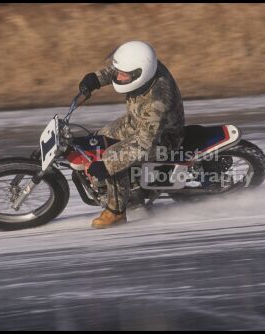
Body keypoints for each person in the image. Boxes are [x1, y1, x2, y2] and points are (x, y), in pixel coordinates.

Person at [79, 41, 185, 229]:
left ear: (139, 74)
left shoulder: (157, 101)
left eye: (123, 75)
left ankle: (116, 212)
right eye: (120, 72)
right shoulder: (146, 65)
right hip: (137, 122)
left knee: (112, 157)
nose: (118, 76)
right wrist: (96, 79)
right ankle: (126, 184)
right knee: (101, 137)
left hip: (161, 139)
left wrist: (107, 165)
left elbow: (144, 144)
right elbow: (120, 69)